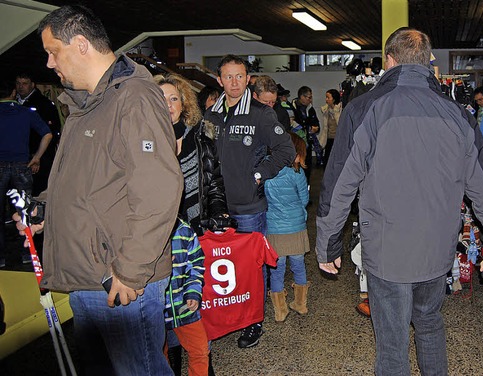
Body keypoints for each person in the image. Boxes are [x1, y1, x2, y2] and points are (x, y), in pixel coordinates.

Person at [315, 27, 483, 375]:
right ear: (428, 63)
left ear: (389, 61)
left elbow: (339, 185)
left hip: (387, 250)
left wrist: (328, 242)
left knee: (392, 342)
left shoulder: (365, 109)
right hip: (437, 250)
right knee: (429, 323)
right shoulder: (458, 115)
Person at [18, 6, 183, 374]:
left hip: (118, 280)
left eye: (52, 51)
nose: (48, 63)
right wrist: (43, 209)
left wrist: (130, 270)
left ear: (80, 44)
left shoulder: (133, 98)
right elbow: (88, 183)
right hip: (88, 277)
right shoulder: (85, 105)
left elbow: (158, 188)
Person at [204, 54, 295, 348]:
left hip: (248, 208)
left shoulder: (260, 114)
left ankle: (254, 322)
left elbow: (285, 150)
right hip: (216, 207)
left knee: (252, 270)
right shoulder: (211, 115)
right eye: (228, 77)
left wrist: (259, 174)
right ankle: (229, 317)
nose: (234, 82)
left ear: (248, 79)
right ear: (219, 80)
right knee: (223, 268)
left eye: (239, 76)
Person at [155, 74, 229, 236]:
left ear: (183, 104)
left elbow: (214, 182)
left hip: (198, 227)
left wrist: (219, 213)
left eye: (174, 99)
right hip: (158, 231)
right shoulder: (144, 141)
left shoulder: (202, 136)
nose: (168, 105)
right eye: (161, 98)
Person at [1, 81, 52, 268]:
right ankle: (27, 253)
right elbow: (47, 134)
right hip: (22, 166)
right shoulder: (25, 112)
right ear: (14, 92)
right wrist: (37, 157)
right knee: (26, 212)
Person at [265, 133, 310, 322]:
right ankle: (300, 304)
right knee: (299, 266)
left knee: (277, 269)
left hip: (275, 228)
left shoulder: (266, 169)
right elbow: (305, 200)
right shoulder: (297, 172)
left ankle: (280, 311)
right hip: (297, 227)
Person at [164, 218, 211, 376]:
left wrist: (193, 292)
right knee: (159, 357)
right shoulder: (144, 233)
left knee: (200, 350)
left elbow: (196, 264)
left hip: (184, 307)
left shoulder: (184, 230)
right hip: (156, 310)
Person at [15, 73, 61, 195]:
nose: (21, 87)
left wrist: (39, 157)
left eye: (24, 83)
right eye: (18, 83)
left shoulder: (43, 104)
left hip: (38, 158)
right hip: (16, 158)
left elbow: (52, 132)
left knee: (36, 193)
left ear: (32, 85)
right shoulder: (13, 104)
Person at [292, 86, 321, 175]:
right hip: (295, 144)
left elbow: (317, 125)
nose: (310, 100)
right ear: (301, 97)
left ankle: (306, 187)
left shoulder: (310, 109)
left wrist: (315, 128)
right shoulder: (292, 108)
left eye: (311, 97)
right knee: (296, 169)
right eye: (309, 97)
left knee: (307, 169)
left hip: (307, 144)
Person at [319, 89, 341, 164]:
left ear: (334, 99)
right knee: (327, 160)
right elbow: (325, 128)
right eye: (326, 97)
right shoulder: (326, 110)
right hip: (328, 139)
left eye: (328, 97)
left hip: (338, 139)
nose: (326, 99)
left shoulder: (340, 110)